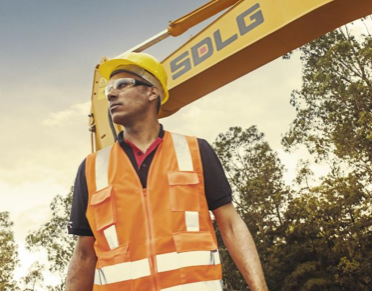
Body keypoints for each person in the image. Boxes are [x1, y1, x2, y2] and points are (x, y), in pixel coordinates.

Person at [66, 52, 268, 291]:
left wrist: (260, 288)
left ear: (153, 92)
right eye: (109, 89)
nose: (110, 94)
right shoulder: (91, 168)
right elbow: (84, 253)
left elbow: (231, 224)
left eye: (122, 85)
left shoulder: (196, 151)